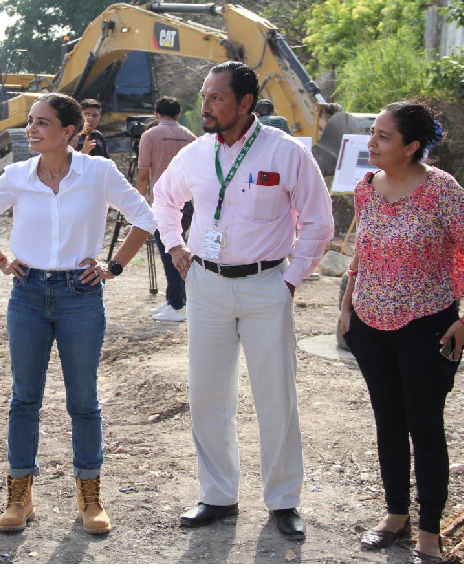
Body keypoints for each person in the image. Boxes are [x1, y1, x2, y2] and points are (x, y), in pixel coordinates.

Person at [153, 61, 334, 540]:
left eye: (216, 97)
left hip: (265, 286)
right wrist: (175, 246)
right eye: (205, 95)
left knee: (276, 395)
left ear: (245, 104)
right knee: (208, 393)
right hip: (207, 285)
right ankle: (217, 495)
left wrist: (291, 280)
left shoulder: (286, 153)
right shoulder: (195, 154)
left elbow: (318, 220)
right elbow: (163, 198)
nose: (205, 105)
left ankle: (283, 501)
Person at [0, 92, 156, 535]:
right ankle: (19, 495)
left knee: (83, 401)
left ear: (69, 132)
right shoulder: (17, 175)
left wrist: (114, 266)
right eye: (30, 121)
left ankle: (90, 497)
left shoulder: (98, 172)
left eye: (42, 123)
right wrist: (2, 260)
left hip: (80, 295)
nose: (31, 129)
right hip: (28, 294)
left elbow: (145, 219)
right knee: (24, 398)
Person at [340, 100, 459, 564]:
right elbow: (362, 252)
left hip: (427, 326)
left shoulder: (442, 191)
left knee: (425, 426)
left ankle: (429, 528)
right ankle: (395, 515)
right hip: (370, 326)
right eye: (373, 133)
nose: (371, 143)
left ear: (412, 147)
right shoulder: (366, 188)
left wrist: (463, 319)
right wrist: (347, 308)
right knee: (387, 421)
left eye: (383, 137)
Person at [135, 96, 197, 322]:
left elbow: (143, 174)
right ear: (178, 115)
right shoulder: (191, 137)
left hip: (162, 204)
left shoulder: (149, 136)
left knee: (170, 253)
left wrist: (138, 203)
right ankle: (174, 300)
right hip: (187, 204)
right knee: (181, 250)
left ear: (156, 114)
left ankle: (178, 304)